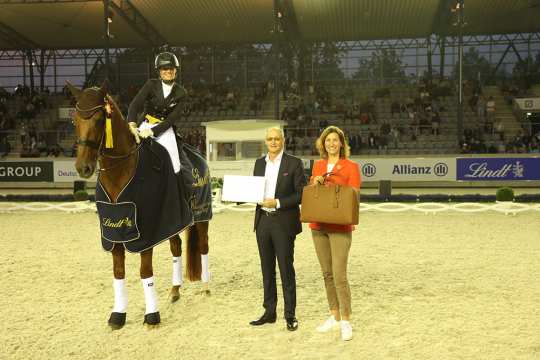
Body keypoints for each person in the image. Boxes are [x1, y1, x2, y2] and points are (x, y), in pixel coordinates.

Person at [126, 51, 194, 317]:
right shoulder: (150, 86)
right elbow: (134, 105)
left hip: (163, 132)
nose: (168, 72)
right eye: (164, 70)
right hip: (142, 125)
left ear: (175, 71)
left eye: (171, 70)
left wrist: (152, 132)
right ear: (159, 71)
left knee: (175, 164)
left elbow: (171, 120)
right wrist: (133, 124)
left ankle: (181, 200)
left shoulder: (182, 92)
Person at [250, 127, 306, 331]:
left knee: (285, 270)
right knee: (267, 270)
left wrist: (279, 203)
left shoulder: (294, 163)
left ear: (283, 140)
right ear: (265, 141)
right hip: (262, 221)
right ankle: (269, 311)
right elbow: (253, 190)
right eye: (270, 139)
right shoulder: (258, 163)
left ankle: (290, 315)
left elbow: (301, 194)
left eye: (277, 138)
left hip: (283, 222)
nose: (273, 142)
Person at [309, 126, 361, 341]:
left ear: (341, 143)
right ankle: (335, 316)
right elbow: (312, 193)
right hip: (318, 225)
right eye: (327, 140)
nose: (331, 143)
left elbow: (354, 195)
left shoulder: (351, 167)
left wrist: (334, 188)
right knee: (327, 274)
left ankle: (346, 321)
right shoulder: (318, 165)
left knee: (339, 275)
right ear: (323, 144)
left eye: (335, 140)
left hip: (340, 227)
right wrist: (316, 182)